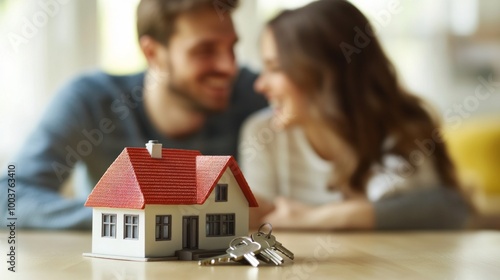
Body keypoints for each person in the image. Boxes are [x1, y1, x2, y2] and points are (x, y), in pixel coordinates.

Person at [0, 0, 267, 229]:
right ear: (152, 53)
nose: (228, 67)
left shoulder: (256, 94)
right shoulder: (91, 101)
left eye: (231, 47)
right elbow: (8, 197)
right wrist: (130, 220)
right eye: (205, 50)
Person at [240, 0, 470, 230]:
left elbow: (442, 211)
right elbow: (264, 222)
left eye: (276, 68)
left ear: (325, 73)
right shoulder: (262, 133)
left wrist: (322, 218)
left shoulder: (400, 128)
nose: (260, 85)